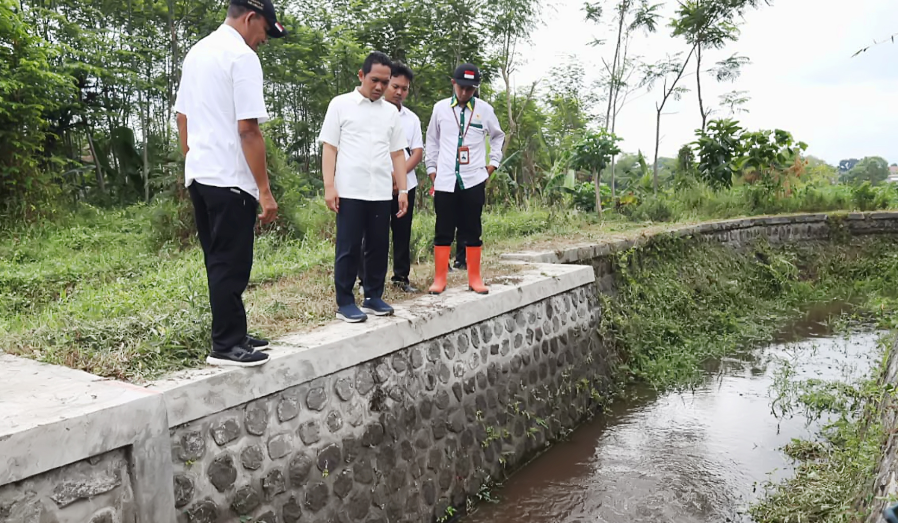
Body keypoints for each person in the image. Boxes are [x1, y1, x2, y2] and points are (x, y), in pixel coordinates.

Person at [174, 0, 286, 367]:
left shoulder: (198, 52)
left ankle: (234, 331)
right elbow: (249, 130)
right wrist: (265, 192)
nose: (264, 40)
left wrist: (192, 156)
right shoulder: (241, 57)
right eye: (265, 31)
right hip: (230, 178)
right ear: (251, 18)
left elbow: (182, 116)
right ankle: (225, 345)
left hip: (201, 173)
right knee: (232, 263)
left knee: (217, 258)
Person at [319, 51, 409, 323]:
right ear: (361, 75)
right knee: (348, 247)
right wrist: (329, 186)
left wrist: (403, 190)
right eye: (374, 80)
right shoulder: (340, 105)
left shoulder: (390, 113)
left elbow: (397, 154)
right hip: (349, 190)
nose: (380, 87)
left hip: (381, 191)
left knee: (379, 245)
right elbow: (330, 148)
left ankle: (373, 296)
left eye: (385, 81)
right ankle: (344, 301)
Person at [425, 63, 504, 295]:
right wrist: (432, 168)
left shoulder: (484, 110)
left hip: (473, 180)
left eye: (470, 89)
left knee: (472, 230)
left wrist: (492, 164)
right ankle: (440, 278)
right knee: (443, 230)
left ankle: (475, 278)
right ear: (453, 83)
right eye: (461, 87)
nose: (465, 93)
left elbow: (498, 137)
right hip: (445, 180)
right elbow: (432, 140)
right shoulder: (440, 109)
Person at [358, 62, 424, 294]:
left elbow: (416, 152)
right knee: (373, 233)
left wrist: (400, 176)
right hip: (376, 183)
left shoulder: (411, 119)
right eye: (395, 86)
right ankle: (366, 280)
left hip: (405, 184)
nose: (399, 92)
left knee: (402, 232)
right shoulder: (369, 112)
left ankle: (400, 277)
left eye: (404, 88)